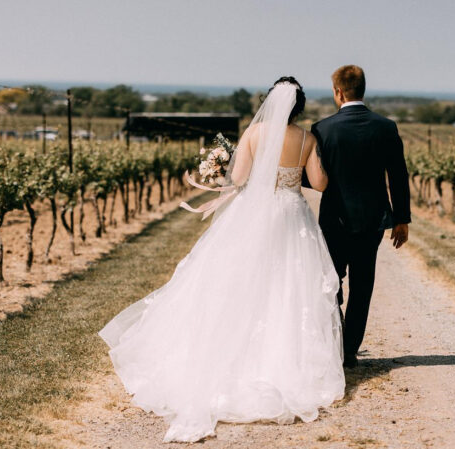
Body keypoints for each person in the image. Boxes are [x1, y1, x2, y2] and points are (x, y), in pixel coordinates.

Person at [98, 77, 345, 443]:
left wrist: (225, 167)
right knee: (288, 285)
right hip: (292, 213)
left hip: (255, 210)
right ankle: (283, 358)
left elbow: (240, 177)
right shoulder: (308, 139)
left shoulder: (255, 132)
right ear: (299, 107)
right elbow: (320, 184)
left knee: (238, 279)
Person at [308, 65, 411, 368]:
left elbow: (314, 178)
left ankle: (333, 340)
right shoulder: (386, 127)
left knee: (331, 281)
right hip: (372, 219)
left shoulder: (322, 129)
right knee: (363, 284)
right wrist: (401, 218)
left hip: (334, 219)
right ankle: (350, 350)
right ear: (362, 89)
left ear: (337, 92)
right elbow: (398, 176)